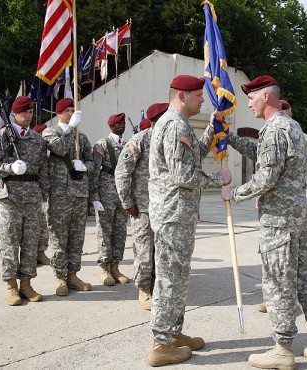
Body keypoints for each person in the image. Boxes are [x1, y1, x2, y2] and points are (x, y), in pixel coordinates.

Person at [221, 76, 307, 369]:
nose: (248, 103)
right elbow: (264, 157)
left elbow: (265, 177)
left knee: (278, 283)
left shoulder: (275, 131)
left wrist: (234, 192)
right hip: (297, 220)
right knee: (303, 280)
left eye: (251, 97)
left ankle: (283, 349)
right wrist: (231, 139)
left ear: (266, 97)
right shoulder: (292, 128)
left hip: (279, 223)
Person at [146, 75, 232, 367]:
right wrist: (216, 179)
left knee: (179, 278)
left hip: (177, 214)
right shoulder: (173, 125)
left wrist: (212, 128)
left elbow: (193, 155)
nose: (202, 100)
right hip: (172, 215)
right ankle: (160, 344)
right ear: (181, 96)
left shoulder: (178, 125)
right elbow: (183, 175)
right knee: (171, 279)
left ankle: (173, 334)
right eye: (198, 95)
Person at [257, 99, 307, 314]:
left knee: (290, 263)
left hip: (292, 211)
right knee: (280, 263)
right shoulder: (278, 134)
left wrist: (304, 203)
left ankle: (287, 305)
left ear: (288, 113)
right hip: (284, 208)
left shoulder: (300, 138)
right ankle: (278, 301)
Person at [0, 95, 50, 306]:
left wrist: (43, 196)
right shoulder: (0, 137)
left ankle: (27, 284)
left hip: (32, 196)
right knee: (10, 243)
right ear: (14, 114)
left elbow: (43, 170)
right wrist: (9, 168)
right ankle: (11, 286)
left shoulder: (37, 139)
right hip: (10, 196)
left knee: (30, 243)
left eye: (31, 112)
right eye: (24, 112)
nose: (28, 116)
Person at [114, 103, 168, 311]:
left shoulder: (170, 138)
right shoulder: (139, 140)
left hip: (165, 206)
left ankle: (159, 285)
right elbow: (122, 173)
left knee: (163, 250)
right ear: (155, 121)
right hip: (143, 206)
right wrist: (128, 203)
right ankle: (144, 289)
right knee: (145, 250)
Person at [42, 98, 94, 295]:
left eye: (74, 109)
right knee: (58, 237)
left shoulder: (83, 137)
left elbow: (93, 162)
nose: (72, 113)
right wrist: (70, 128)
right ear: (59, 113)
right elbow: (60, 148)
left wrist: (85, 166)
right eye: (68, 110)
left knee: (76, 238)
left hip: (79, 193)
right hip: (59, 194)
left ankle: (73, 275)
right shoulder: (50, 132)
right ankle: (59, 277)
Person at [91, 112, 130, 286]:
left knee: (120, 232)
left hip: (123, 195)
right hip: (106, 193)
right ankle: (104, 268)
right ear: (111, 126)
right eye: (118, 123)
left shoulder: (129, 145)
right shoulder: (102, 145)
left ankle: (115, 266)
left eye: (123, 123)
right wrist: (94, 197)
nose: (122, 125)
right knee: (105, 232)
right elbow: (94, 172)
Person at [32, 122, 51, 265]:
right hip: (31, 191)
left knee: (44, 224)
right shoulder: (32, 148)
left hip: (47, 190)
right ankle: (30, 254)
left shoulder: (49, 149)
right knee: (31, 225)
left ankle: (41, 252)